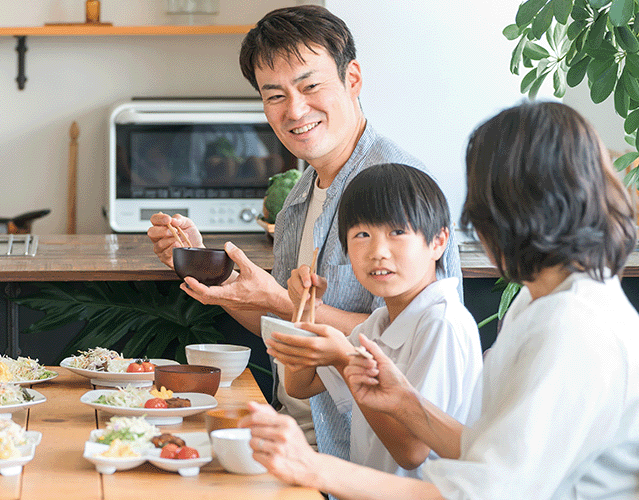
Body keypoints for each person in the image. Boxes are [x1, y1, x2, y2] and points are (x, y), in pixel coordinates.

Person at [244, 101, 639, 498]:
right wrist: (404, 403)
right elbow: (487, 455)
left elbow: (479, 493)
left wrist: (312, 467)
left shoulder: (574, 327)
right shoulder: (541, 302)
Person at [147, 5, 462, 461]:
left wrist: (281, 302)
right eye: (274, 95)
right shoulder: (298, 195)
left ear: (352, 78)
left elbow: (412, 339)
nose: (294, 110)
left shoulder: (398, 186)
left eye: (310, 86)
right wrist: (212, 275)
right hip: (291, 434)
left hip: (363, 458)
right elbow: (287, 334)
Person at [271, 163, 481, 478]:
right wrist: (306, 310)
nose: (378, 251)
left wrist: (345, 360)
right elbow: (300, 386)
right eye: (362, 234)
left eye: (397, 232)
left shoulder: (441, 322)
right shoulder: (379, 322)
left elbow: (412, 452)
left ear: (438, 241)